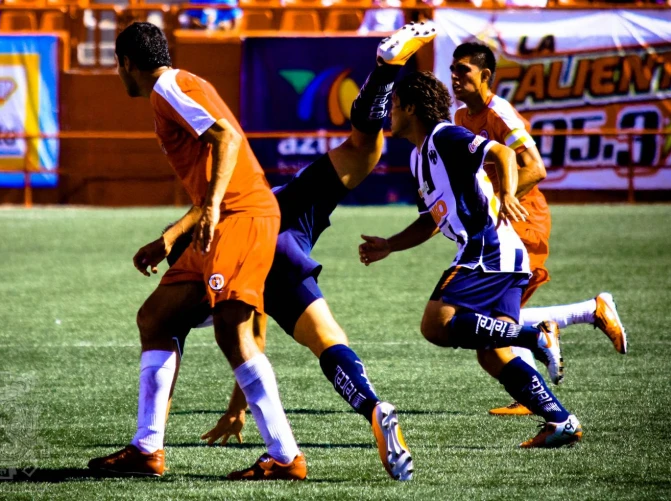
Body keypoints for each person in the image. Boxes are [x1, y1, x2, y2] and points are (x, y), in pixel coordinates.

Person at [165, 21, 441, 481]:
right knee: (362, 152)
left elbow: (246, 336)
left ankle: (385, 72)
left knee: (314, 338)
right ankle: (373, 408)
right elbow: (248, 333)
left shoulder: (208, 263)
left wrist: (232, 411)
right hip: (284, 214)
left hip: (262, 226)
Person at [88, 22, 304, 480]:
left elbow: (226, 138)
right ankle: (147, 450)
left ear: (127, 63)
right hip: (222, 218)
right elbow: (213, 171)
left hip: (243, 216)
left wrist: (208, 209)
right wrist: (173, 234)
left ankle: (286, 457)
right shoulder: (171, 89)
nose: (118, 72)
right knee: (157, 318)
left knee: (232, 330)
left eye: (117, 64)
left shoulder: (169, 86)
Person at [358, 71, 583, 448]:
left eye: (394, 106)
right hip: (505, 256)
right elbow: (431, 218)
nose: (388, 115)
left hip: (487, 247)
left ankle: (535, 334)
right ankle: (560, 421)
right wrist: (391, 245)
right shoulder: (418, 158)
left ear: (411, 108)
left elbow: (503, 152)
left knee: (435, 324)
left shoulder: (443, 135)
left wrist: (509, 193)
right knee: (492, 356)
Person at [450, 41, 628, 416]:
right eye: (452, 68)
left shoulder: (501, 114)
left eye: (463, 69)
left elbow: (536, 168)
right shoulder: (462, 117)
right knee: (496, 320)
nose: (454, 75)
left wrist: (499, 198)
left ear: (485, 76)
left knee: (492, 320)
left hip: (522, 218)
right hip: (498, 220)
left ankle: (585, 314)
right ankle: (584, 317)